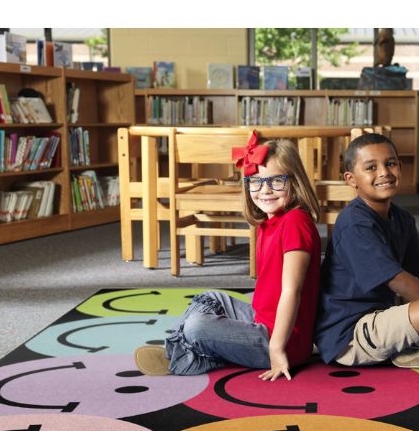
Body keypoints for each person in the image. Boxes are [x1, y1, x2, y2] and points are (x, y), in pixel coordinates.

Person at [134, 135, 321, 381]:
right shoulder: (269, 223)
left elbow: (291, 291)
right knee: (210, 298)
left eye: (276, 181)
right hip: (261, 318)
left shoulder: (296, 222)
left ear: (294, 182)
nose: (265, 190)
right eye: (255, 181)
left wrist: (276, 348)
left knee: (197, 327)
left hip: (282, 341)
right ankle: (193, 348)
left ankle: (186, 356)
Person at [314, 132, 419, 371]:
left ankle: (418, 343)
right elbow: (397, 280)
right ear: (351, 179)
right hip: (348, 334)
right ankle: (414, 349)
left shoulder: (401, 218)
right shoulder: (354, 223)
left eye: (391, 163)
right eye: (371, 167)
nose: (384, 172)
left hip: (382, 314)